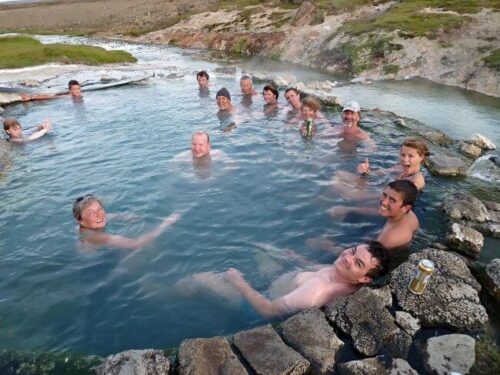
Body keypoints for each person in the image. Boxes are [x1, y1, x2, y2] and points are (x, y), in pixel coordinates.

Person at [223, 240, 388, 317]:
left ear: (366, 279)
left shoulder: (315, 292)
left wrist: (238, 282)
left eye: (357, 263)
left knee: (201, 279)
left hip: (253, 303)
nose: (347, 258)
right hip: (281, 283)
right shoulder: (345, 278)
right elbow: (323, 271)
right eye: (352, 251)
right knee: (262, 251)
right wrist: (299, 259)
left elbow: (268, 310)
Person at [320, 180, 420, 252]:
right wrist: (348, 209)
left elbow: (365, 261)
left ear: (406, 207)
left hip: (380, 255)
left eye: (392, 200)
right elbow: (377, 211)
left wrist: (329, 247)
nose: (384, 202)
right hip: (380, 234)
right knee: (351, 214)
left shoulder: (390, 238)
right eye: (384, 195)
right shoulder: (407, 213)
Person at [73, 194, 181, 251]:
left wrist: (130, 217)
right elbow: (137, 244)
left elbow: (112, 216)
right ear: (80, 220)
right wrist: (166, 223)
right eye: (91, 213)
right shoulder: (96, 237)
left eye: (100, 209)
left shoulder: (89, 224)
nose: (99, 214)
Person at [357, 138, 429, 191]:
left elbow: (398, 198)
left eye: (410, 156)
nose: (405, 159)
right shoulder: (400, 168)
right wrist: (365, 171)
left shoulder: (417, 182)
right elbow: (379, 173)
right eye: (403, 155)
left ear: (421, 157)